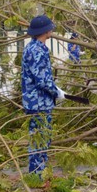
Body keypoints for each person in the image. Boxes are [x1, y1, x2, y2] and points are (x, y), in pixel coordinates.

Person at [21, 15, 64, 175]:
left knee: (39, 137)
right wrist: (56, 91)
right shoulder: (37, 50)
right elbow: (41, 80)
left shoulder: (32, 47)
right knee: (40, 138)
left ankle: (39, 172)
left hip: (35, 101)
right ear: (46, 31)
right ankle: (38, 174)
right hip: (39, 102)